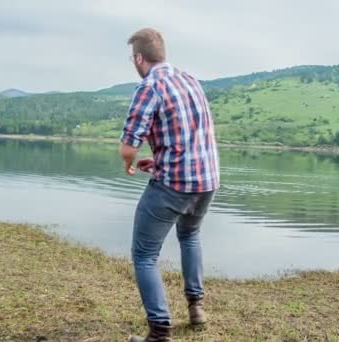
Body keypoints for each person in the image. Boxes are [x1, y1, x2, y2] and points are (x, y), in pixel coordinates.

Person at [119, 28, 220, 342]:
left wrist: (129, 163)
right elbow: (188, 136)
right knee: (190, 234)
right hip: (207, 180)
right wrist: (159, 160)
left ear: (139, 58)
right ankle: (196, 307)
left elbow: (129, 145)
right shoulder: (189, 79)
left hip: (174, 184)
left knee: (145, 255)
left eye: (132, 58)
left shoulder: (150, 86)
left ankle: (160, 332)